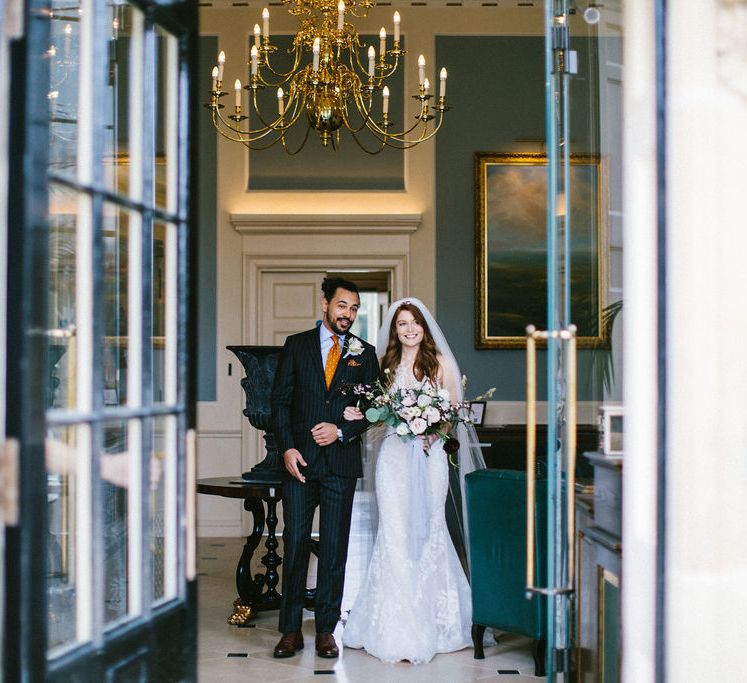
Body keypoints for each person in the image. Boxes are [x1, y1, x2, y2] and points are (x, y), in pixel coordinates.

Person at [342, 298, 486, 664]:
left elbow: (455, 412)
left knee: (429, 529)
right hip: (393, 458)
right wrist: (371, 415)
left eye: (414, 323)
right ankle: (390, 624)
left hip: (429, 455)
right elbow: (375, 413)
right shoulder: (384, 365)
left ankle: (437, 621)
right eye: (402, 324)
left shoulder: (440, 364)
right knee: (395, 532)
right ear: (394, 330)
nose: (408, 329)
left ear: (424, 327)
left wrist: (433, 429)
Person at [270, 277, 380, 659]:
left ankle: (326, 631)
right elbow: (279, 404)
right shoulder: (296, 345)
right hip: (299, 464)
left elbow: (374, 408)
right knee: (296, 543)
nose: (347, 314)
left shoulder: (365, 353)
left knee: (335, 549)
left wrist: (343, 430)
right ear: (325, 305)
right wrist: (286, 448)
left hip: (341, 466)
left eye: (353, 308)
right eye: (342, 306)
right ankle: (289, 631)